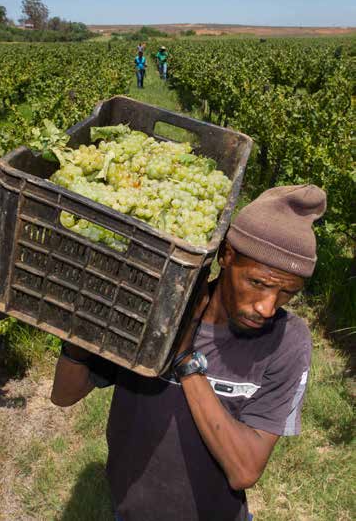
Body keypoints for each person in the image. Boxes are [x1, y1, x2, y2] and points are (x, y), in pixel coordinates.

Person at [51, 184, 326, 521]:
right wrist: (83, 328)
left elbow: (244, 470)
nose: (268, 307)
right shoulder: (153, 309)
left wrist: (184, 358)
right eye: (258, 283)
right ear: (226, 255)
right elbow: (63, 396)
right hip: (129, 511)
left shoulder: (286, 342)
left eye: (287, 292)